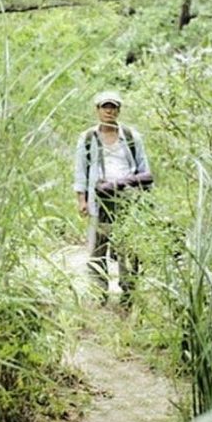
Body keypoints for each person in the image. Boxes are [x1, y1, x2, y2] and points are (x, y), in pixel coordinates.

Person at [72, 90, 153, 307]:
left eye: (113, 107)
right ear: (97, 110)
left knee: (128, 247)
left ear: (119, 110)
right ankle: (100, 292)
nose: (109, 111)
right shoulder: (88, 138)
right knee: (99, 247)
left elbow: (144, 169)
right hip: (100, 200)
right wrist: (82, 200)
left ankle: (128, 294)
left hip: (129, 199)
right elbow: (80, 170)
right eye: (105, 106)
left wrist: (146, 202)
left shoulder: (131, 136)